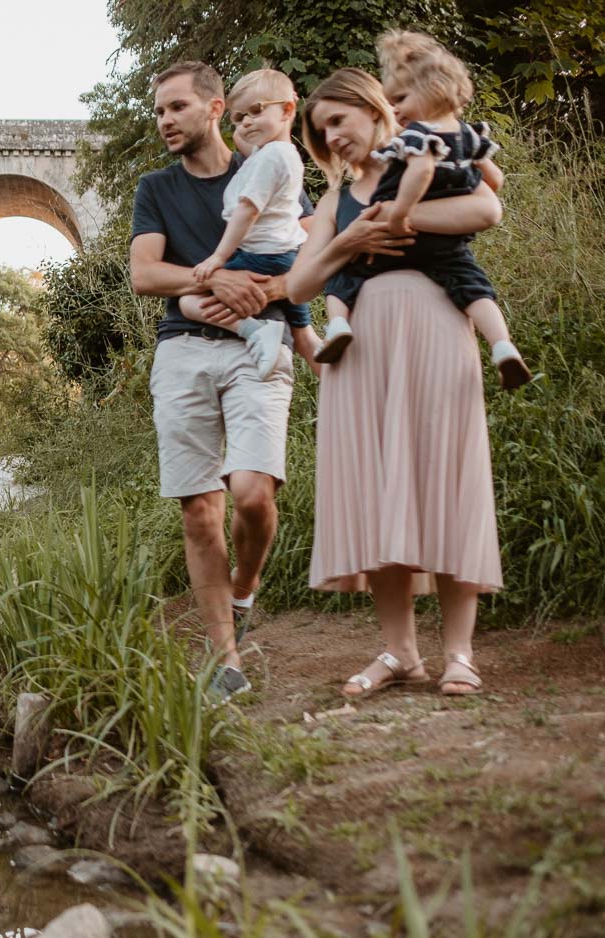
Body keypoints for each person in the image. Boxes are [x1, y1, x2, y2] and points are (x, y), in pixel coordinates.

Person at [288, 67, 504, 698]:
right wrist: (351, 238)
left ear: (373, 109)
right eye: (321, 130)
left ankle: (460, 652)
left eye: (339, 121)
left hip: (437, 327)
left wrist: (403, 219)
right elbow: (299, 287)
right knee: (381, 491)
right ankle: (400, 653)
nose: (332, 137)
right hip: (361, 349)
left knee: (448, 476)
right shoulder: (334, 201)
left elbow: (488, 207)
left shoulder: (428, 158)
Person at [130, 61, 306, 701]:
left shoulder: (272, 161)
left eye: (175, 107)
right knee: (201, 510)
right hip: (183, 350)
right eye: (158, 111)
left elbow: (313, 258)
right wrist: (210, 280)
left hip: (262, 344)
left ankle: (243, 593)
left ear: (215, 107)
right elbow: (146, 276)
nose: (165, 121)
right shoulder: (156, 188)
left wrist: (262, 289)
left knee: (254, 494)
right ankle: (226, 661)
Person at [316, 31, 532, 390]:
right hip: (446, 243)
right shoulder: (469, 135)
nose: (395, 109)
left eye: (400, 99)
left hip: (395, 232)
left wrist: (400, 214)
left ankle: (337, 324)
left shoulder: (416, 136)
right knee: (473, 286)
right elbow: (494, 179)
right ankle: (503, 346)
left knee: (346, 273)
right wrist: (461, 186)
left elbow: (421, 172)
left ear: (432, 91)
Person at [183, 68, 321, 377]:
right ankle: (345, 387)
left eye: (256, 111)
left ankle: (254, 330)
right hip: (287, 257)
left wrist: (219, 257)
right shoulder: (278, 154)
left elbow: (247, 211)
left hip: (260, 257)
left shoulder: (270, 159)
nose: (246, 122)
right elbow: (248, 145)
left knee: (190, 301)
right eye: (239, 116)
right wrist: (253, 121)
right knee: (305, 335)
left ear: (287, 110)